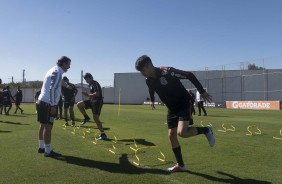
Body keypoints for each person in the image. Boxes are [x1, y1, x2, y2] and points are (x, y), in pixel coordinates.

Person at [135, 55, 215, 173]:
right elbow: (151, 89)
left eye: (142, 70)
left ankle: (206, 130)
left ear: (148, 66)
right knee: (171, 135)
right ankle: (181, 165)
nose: (141, 73)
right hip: (171, 108)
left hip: (184, 102)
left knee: (182, 133)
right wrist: (152, 100)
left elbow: (189, 75)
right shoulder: (149, 81)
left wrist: (201, 91)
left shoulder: (167, 72)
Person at [37, 56, 71, 157]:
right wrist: (53, 105)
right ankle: (48, 151)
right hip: (48, 104)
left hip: (42, 101)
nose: (69, 67)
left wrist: (68, 85)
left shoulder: (53, 70)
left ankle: (41, 147)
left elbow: (57, 83)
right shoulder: (58, 72)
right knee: (48, 128)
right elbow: (52, 89)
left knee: (43, 125)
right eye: (68, 64)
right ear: (64, 63)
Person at [77, 73, 107, 140]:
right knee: (79, 104)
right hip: (92, 101)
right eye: (85, 79)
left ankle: (103, 134)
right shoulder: (90, 85)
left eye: (87, 79)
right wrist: (89, 97)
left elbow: (97, 93)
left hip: (97, 102)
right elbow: (93, 94)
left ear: (91, 78)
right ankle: (86, 117)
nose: (86, 80)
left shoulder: (94, 83)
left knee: (96, 118)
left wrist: (88, 95)